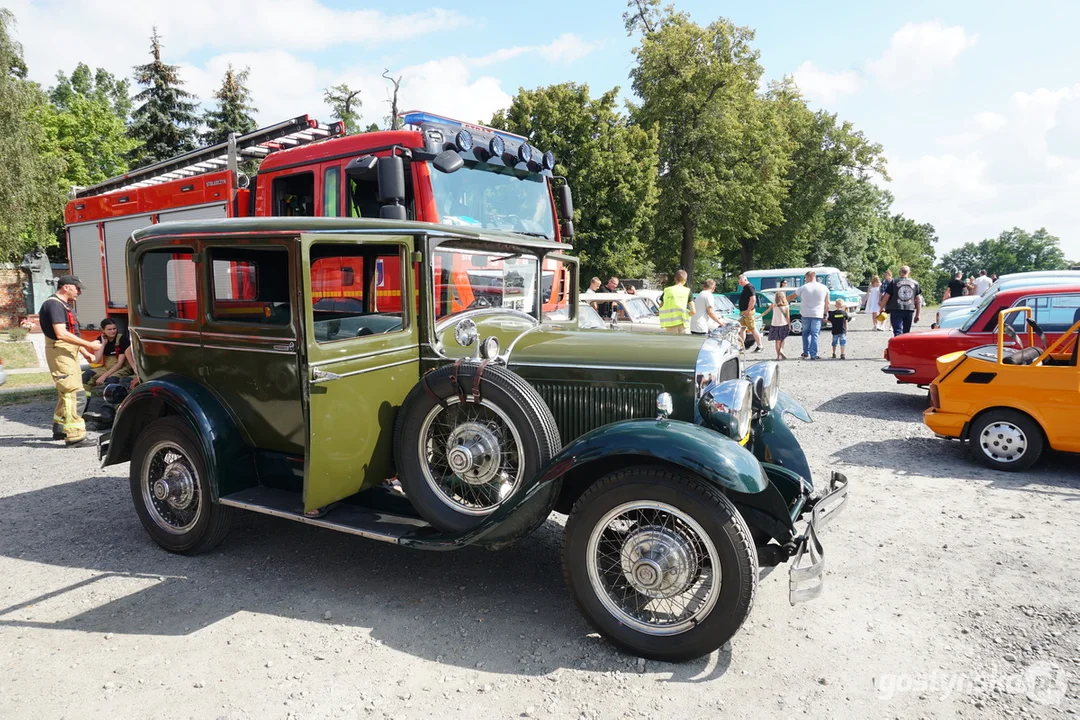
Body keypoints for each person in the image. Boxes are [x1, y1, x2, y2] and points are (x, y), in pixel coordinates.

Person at [38, 275, 102, 445]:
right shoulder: (53, 305)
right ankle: (75, 436)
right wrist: (89, 344)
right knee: (74, 392)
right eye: (77, 288)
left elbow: (71, 335)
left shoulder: (63, 305)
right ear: (66, 287)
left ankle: (60, 427)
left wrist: (85, 352)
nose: (79, 292)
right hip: (60, 351)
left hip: (65, 351)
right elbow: (61, 334)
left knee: (66, 391)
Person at [788, 270, 830, 360]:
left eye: (806, 278)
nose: (805, 280)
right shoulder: (824, 288)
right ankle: (813, 354)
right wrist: (825, 314)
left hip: (805, 313)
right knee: (815, 334)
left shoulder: (803, 287)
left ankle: (806, 352)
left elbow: (792, 296)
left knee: (805, 334)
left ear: (809, 277)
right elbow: (827, 303)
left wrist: (782, 301)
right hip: (817, 314)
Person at [82, 318, 133, 391]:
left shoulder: (122, 339)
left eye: (114, 328)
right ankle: (85, 399)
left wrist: (103, 376)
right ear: (103, 330)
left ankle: (114, 401)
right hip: (106, 367)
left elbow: (120, 364)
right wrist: (103, 344)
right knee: (86, 376)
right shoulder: (100, 339)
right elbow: (96, 360)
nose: (113, 331)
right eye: (109, 329)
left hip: (122, 368)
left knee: (111, 381)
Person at [879, 265, 922, 336]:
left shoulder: (893, 282)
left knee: (897, 331)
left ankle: (899, 346)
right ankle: (905, 346)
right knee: (906, 332)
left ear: (900, 272)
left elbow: (886, 297)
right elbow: (918, 300)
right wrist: (917, 314)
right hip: (909, 309)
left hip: (896, 309)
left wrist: (882, 308)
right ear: (909, 273)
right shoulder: (915, 283)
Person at [658, 269, 691, 335]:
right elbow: (693, 311)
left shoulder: (667, 291)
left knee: (671, 344)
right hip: (683, 324)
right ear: (685, 280)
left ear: (675, 278)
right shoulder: (687, 291)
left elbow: (660, 308)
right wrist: (685, 315)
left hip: (670, 325)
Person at [737, 274, 763, 352]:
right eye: (739, 282)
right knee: (742, 328)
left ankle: (760, 345)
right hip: (743, 312)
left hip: (748, 312)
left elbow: (753, 299)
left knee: (752, 328)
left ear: (745, 280)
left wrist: (748, 310)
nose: (740, 284)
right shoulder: (745, 288)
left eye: (741, 282)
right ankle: (741, 346)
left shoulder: (749, 287)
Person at [764, 285, 791, 359]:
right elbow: (788, 317)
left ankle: (778, 356)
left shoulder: (773, 305)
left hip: (775, 324)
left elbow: (766, 312)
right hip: (783, 324)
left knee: (777, 341)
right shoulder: (786, 306)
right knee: (783, 339)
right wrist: (789, 325)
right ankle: (781, 350)